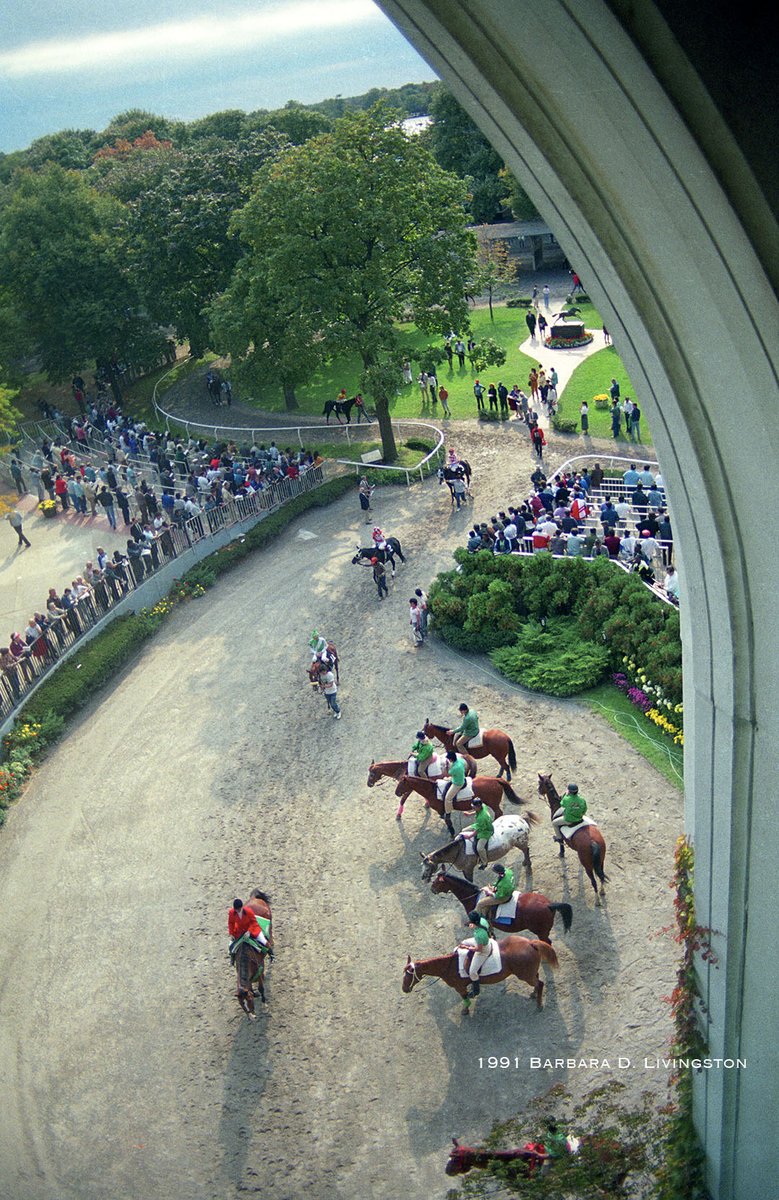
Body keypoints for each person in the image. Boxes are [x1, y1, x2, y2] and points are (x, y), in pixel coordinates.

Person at [458, 910, 495, 995]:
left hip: (483, 950)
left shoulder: (479, 935)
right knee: (463, 941)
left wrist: (467, 947)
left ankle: (476, 990)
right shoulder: (482, 920)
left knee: (472, 972)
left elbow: (479, 949)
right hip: (482, 940)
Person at [443, 748, 468, 818]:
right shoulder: (460, 761)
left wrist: (447, 766)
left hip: (457, 783)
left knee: (447, 798)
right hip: (461, 777)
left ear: (451, 759)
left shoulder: (455, 768)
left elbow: (448, 773)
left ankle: (448, 812)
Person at [470, 798, 494, 869]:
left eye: (474, 807)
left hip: (485, 831)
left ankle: (484, 862)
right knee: (464, 830)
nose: (473, 808)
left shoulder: (482, 818)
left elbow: (478, 830)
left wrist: (470, 835)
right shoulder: (483, 805)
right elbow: (477, 812)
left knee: (480, 848)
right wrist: (470, 814)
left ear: (478, 807)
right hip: (479, 825)